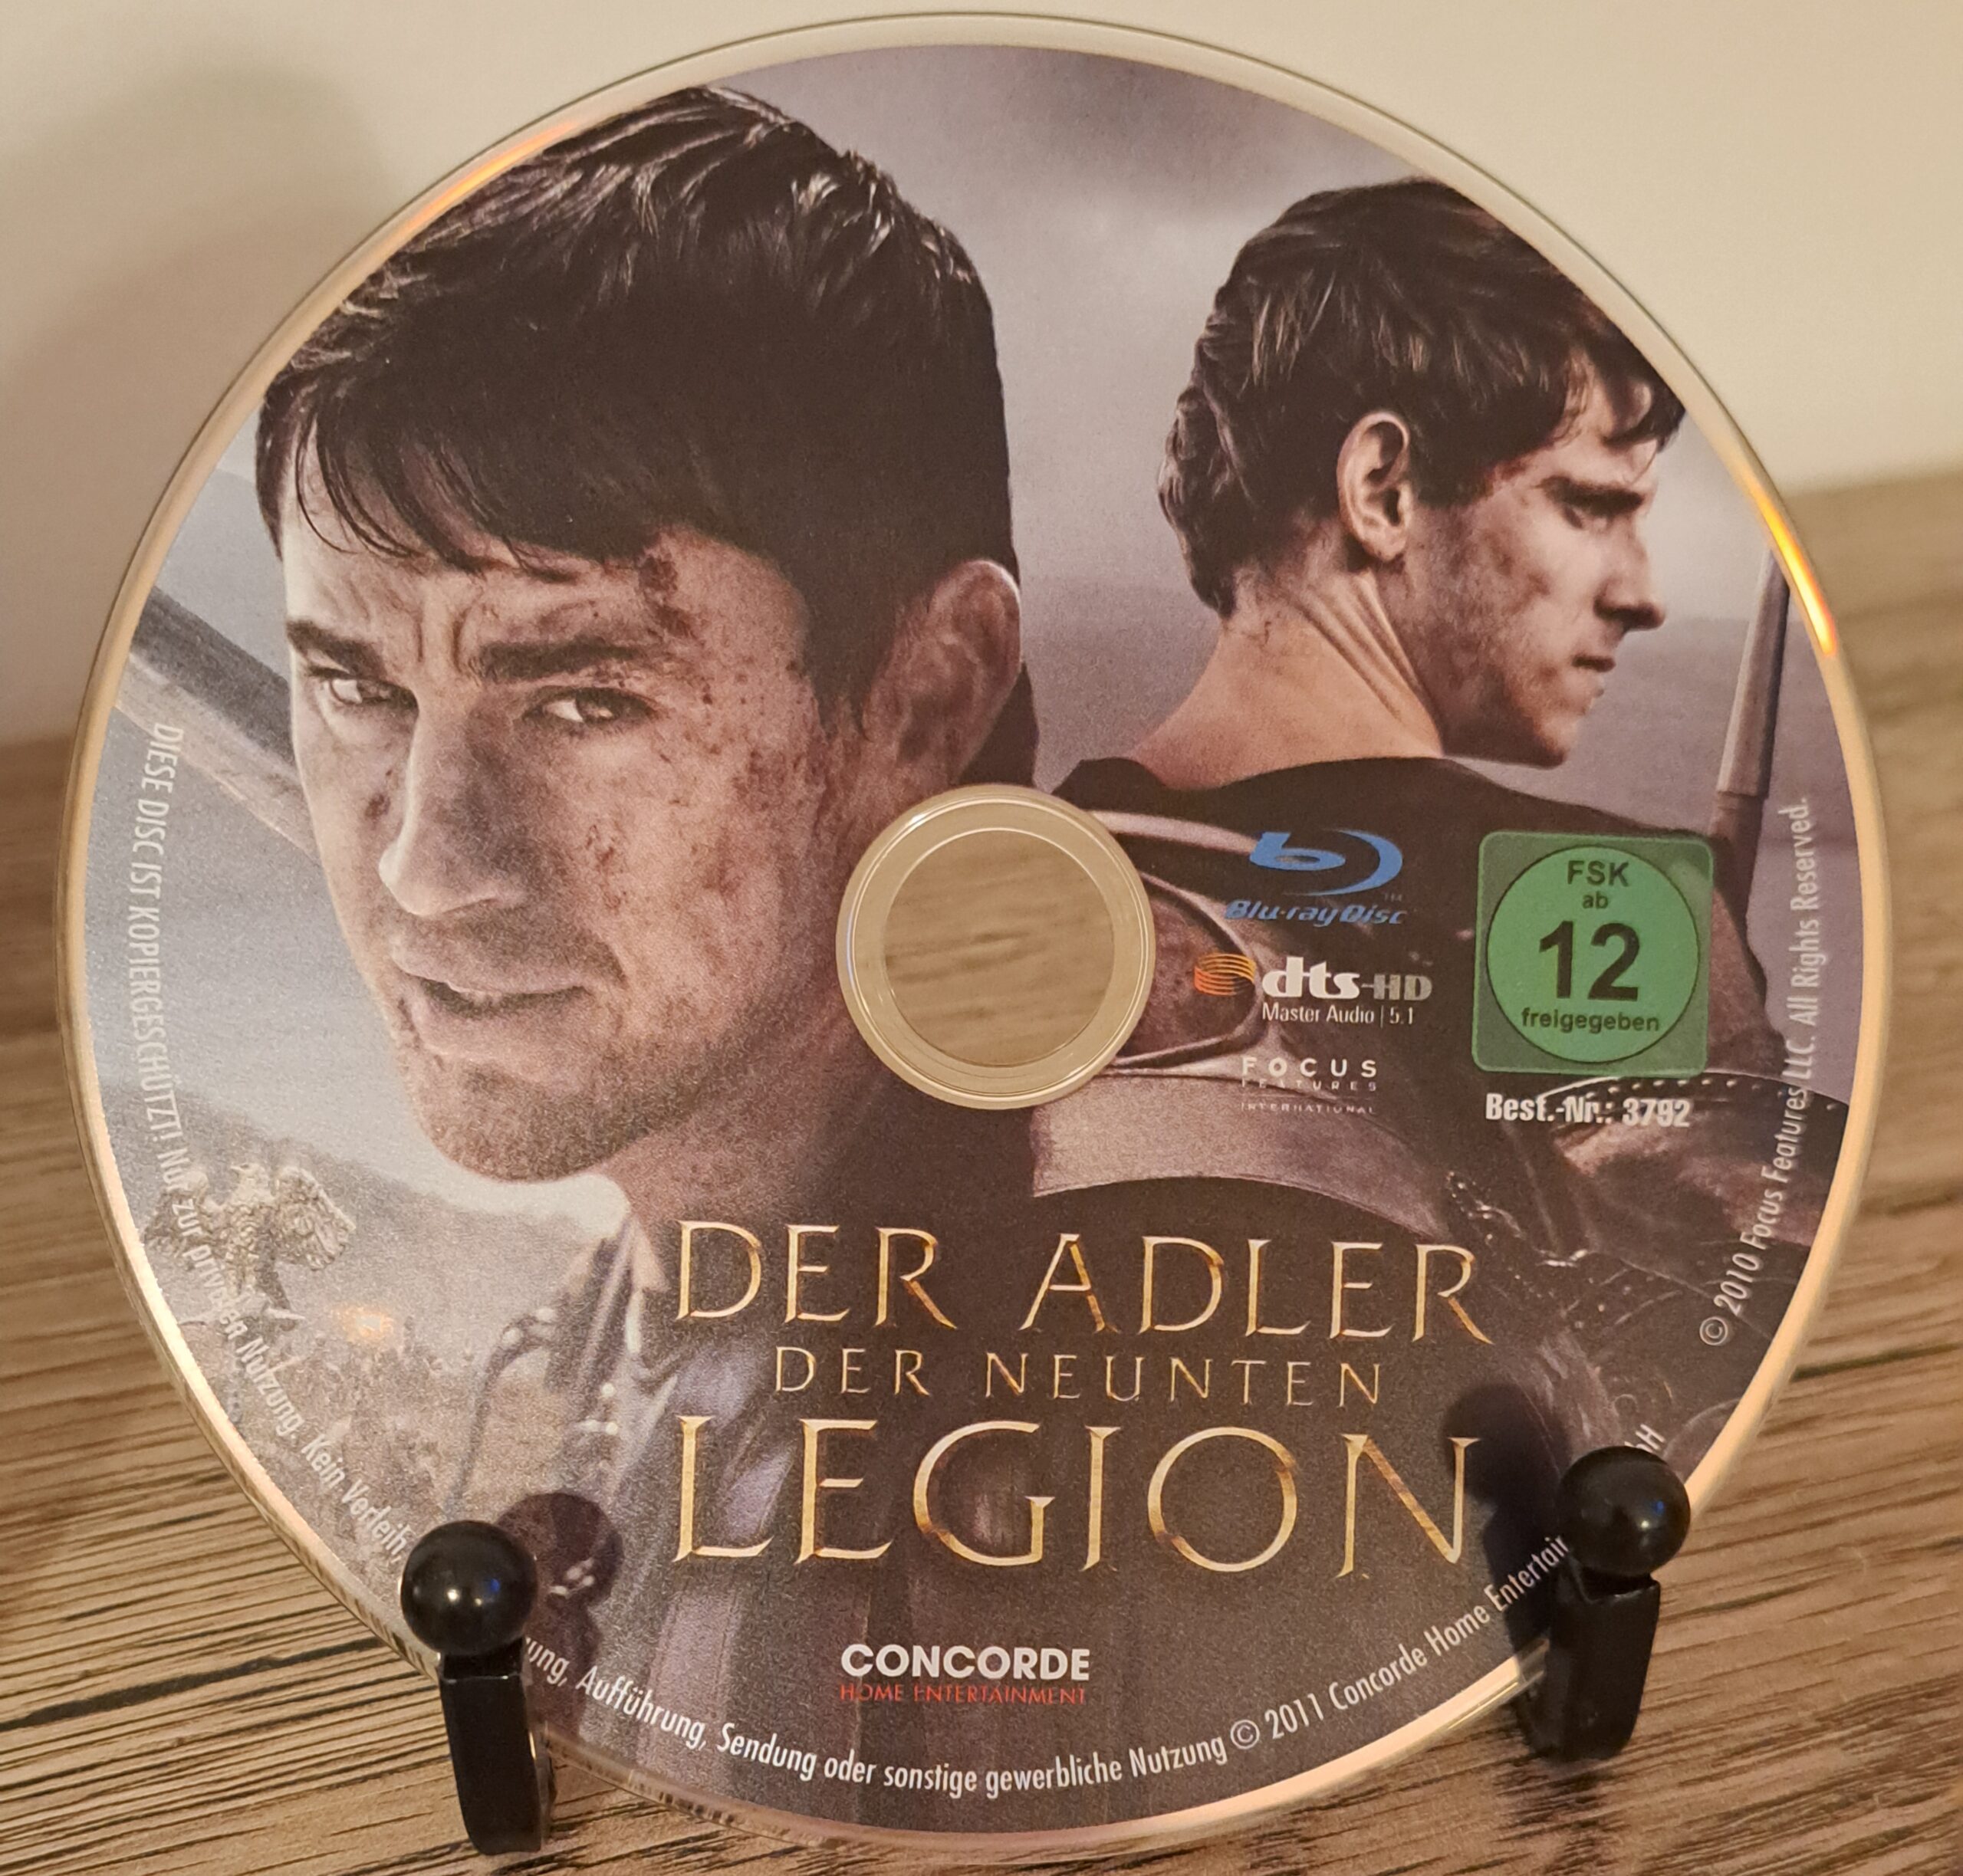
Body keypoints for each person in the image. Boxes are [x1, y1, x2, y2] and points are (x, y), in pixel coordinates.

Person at [254, 87, 1048, 1805]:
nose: (423, 869)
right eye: (354, 687)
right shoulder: (614, 1316)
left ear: (924, 701)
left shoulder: (1069, 1423)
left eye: (585, 698)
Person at [1048, 177, 1839, 1502]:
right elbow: (1721, 1429)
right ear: (1385, 488)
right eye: (1590, 505)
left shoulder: (1017, 882)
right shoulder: (1599, 902)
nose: (1642, 592)